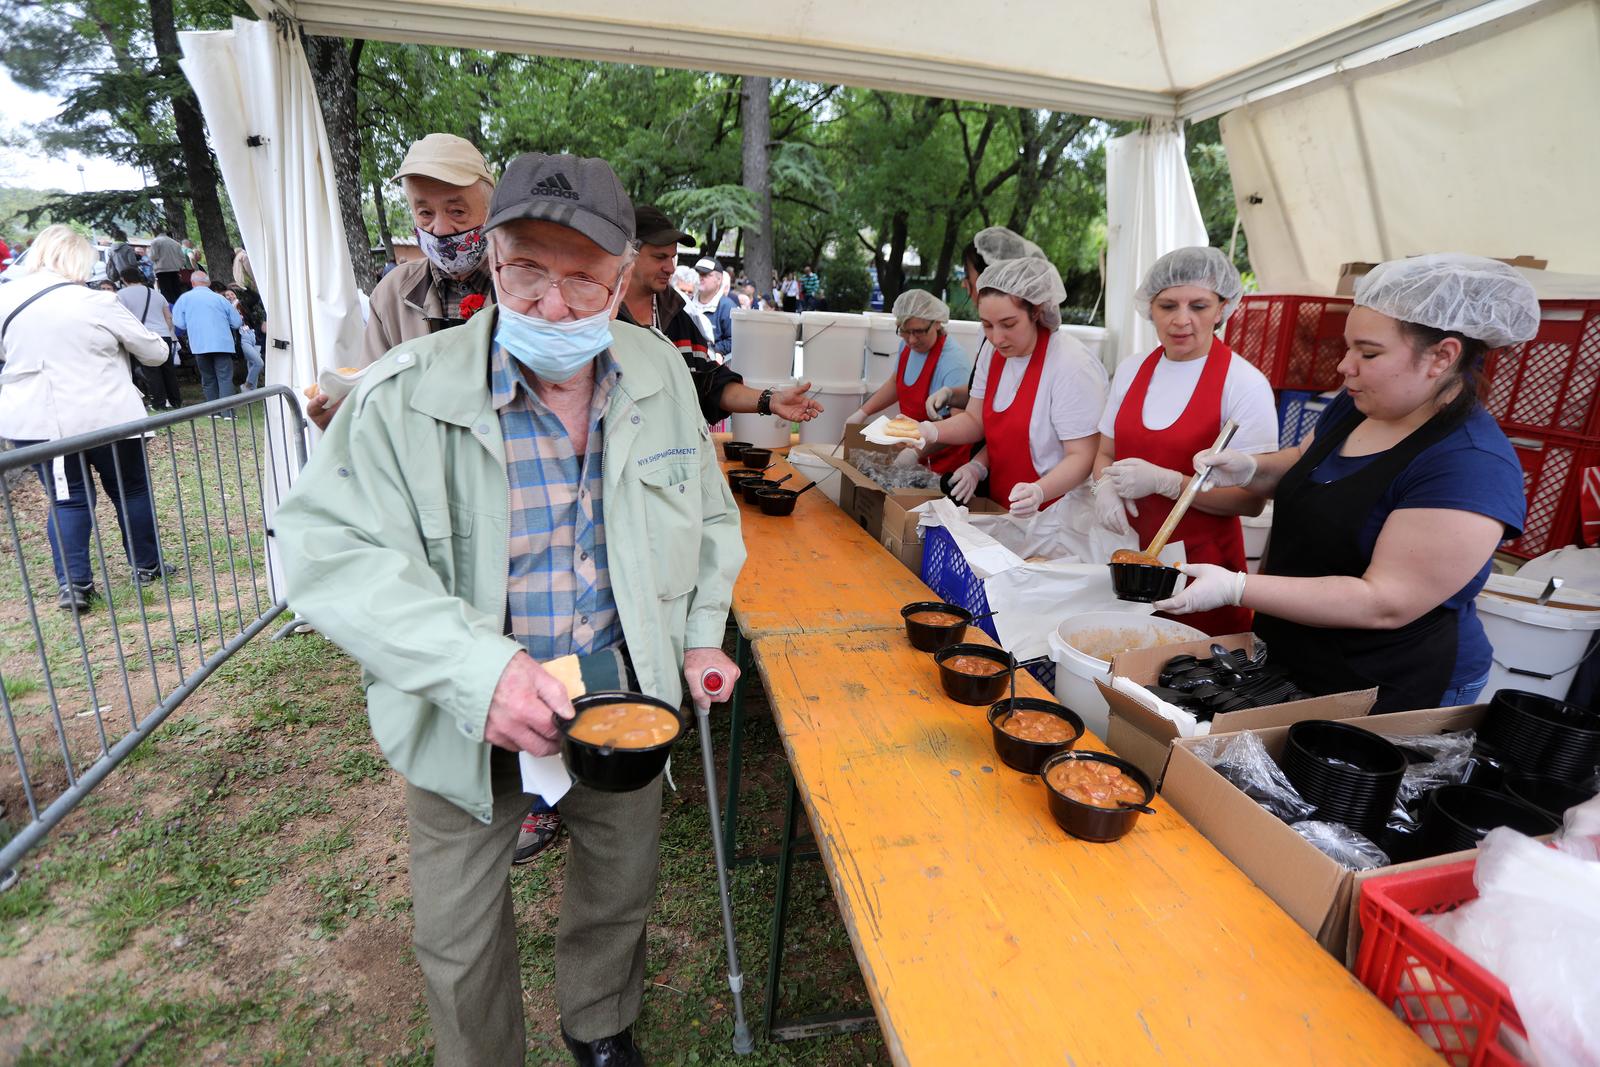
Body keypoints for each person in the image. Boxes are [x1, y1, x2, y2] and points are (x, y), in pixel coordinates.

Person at [275, 151, 745, 1067]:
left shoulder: (656, 373)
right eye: (529, 269)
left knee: (620, 880)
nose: (554, 304)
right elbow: (328, 550)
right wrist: (472, 671)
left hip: (625, 692)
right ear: (492, 261)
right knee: (457, 931)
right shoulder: (404, 393)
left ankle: (601, 1023)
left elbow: (711, 516)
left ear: (623, 279)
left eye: (583, 279)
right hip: (470, 708)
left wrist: (696, 633)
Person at [1155, 254, 1536, 713]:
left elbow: (1383, 601)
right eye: (1349, 347)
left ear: (1442, 356)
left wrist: (1236, 588)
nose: (1344, 367)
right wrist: (1251, 467)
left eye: (1369, 353)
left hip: (1390, 680)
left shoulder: (1470, 466)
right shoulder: (1361, 405)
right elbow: (1305, 461)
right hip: (1296, 651)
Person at [1091, 247, 1278, 636]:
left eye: (1199, 305)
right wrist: (1104, 483)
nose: (1181, 320)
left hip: (1202, 573)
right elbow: (1106, 451)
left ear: (1222, 308)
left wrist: (1169, 483)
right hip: (1128, 564)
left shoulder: (1244, 384)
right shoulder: (1131, 371)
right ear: (1150, 308)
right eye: (1167, 306)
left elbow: (1252, 498)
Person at [0, 225, 175, 612]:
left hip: (36, 420)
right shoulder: (95, 302)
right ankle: (146, 565)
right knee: (130, 490)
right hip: (105, 415)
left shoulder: (5, 298)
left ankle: (75, 584)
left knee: (67, 499)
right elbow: (155, 353)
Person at [308, 133, 497, 431]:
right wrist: (341, 421)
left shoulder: (521, 286)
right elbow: (372, 396)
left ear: (491, 213)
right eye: (425, 213)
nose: (440, 228)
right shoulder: (392, 294)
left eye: (457, 211)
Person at [909, 256, 1106, 515]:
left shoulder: (1071, 365)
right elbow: (976, 421)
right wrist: (929, 432)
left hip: (1059, 516)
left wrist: (1040, 491)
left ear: (1036, 312)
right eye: (987, 325)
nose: (997, 337)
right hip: (1006, 506)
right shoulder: (993, 354)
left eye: (1009, 324)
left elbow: (1083, 456)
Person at [618, 205, 822, 427]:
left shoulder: (675, 317)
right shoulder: (600, 318)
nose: (670, 268)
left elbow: (710, 384)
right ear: (629, 255)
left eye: (673, 258)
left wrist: (770, 400)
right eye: (660, 257)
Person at [846, 289, 973, 475]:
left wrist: (916, 452)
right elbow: (896, 384)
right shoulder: (907, 347)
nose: (912, 340)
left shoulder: (953, 362)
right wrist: (862, 413)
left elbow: (961, 424)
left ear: (937, 323)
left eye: (919, 332)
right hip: (912, 455)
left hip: (944, 466)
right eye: (905, 332)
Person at [171, 271, 243, 405]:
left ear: (192, 283)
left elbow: (179, 322)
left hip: (199, 344)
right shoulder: (220, 298)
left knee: (208, 378)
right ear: (208, 283)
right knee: (225, 378)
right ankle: (227, 411)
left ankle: (212, 409)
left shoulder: (184, 299)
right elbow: (237, 322)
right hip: (222, 343)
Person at [116, 266, 182, 410]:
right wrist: (166, 329)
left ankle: (159, 403)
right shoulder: (156, 294)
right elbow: (168, 317)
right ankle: (176, 401)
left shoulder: (121, 295)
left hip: (143, 335)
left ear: (124, 279)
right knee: (168, 370)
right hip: (164, 335)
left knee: (151, 371)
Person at [690, 257, 737, 358]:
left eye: (706, 274)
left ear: (719, 279)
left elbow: (734, 340)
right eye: (699, 273)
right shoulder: (688, 303)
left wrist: (712, 351)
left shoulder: (728, 307)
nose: (701, 277)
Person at [224, 287, 265, 391]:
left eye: (232, 294)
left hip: (253, 335)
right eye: (227, 295)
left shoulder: (242, 305)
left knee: (252, 365)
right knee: (258, 362)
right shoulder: (224, 309)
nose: (230, 297)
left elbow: (255, 297)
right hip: (242, 338)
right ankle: (247, 384)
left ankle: (252, 393)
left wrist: (243, 288)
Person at [147, 229, 186, 305]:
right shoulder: (175, 243)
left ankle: (170, 311)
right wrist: (178, 265)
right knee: (176, 291)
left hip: (162, 270)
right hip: (175, 270)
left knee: (166, 293)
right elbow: (182, 259)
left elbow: (153, 257)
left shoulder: (156, 242)